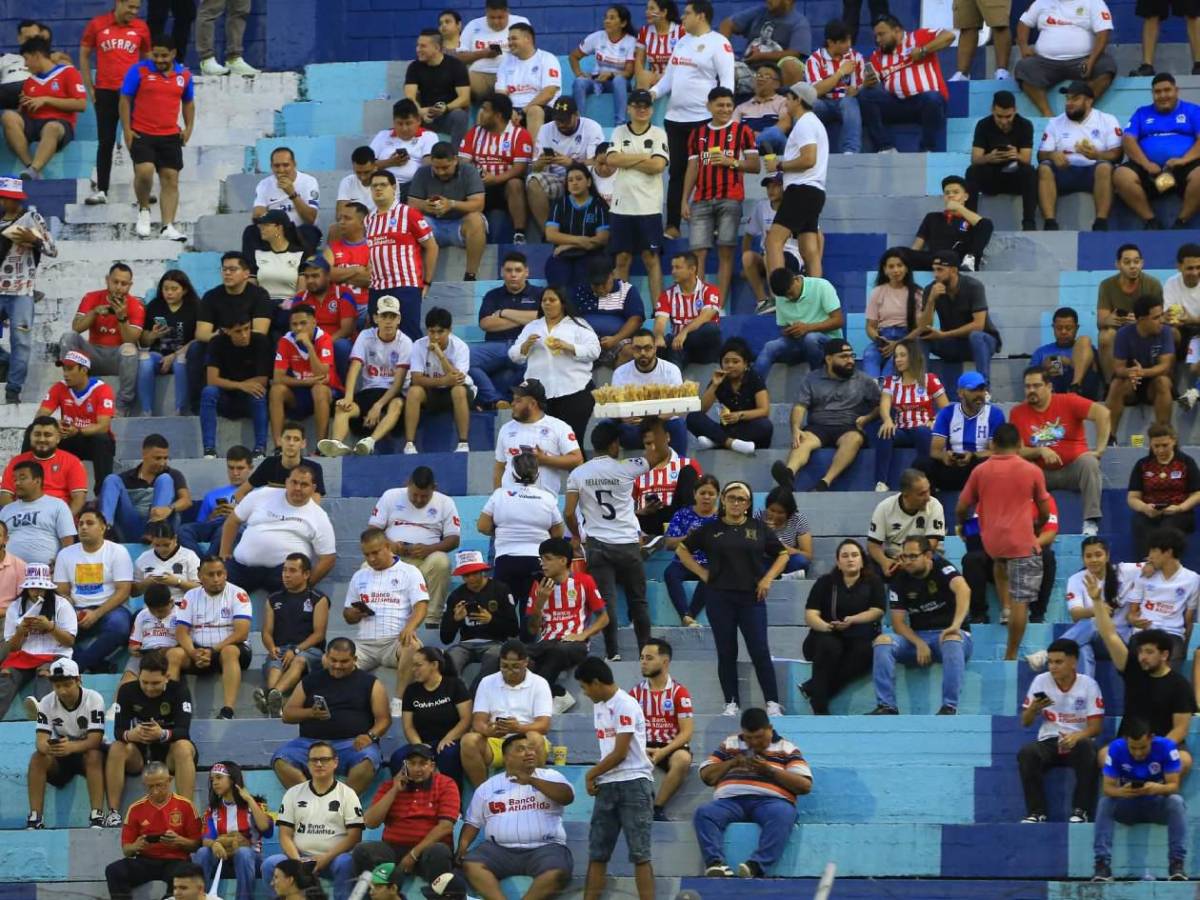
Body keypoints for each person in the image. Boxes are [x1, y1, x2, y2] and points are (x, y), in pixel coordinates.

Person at [676, 481, 788, 717]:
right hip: (719, 597)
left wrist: (767, 578)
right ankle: (731, 702)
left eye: (741, 499)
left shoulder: (759, 528)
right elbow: (682, 550)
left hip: (752, 598)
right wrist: (702, 573)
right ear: (723, 500)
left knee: (759, 650)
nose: (736, 503)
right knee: (726, 651)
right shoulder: (710, 529)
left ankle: (772, 702)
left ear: (748, 504)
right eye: (731, 498)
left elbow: (783, 554)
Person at [565, 421, 669, 658]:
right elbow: (662, 453)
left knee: (607, 601)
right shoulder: (626, 467)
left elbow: (569, 513)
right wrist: (657, 423)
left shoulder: (578, 473)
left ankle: (612, 653)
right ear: (615, 444)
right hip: (627, 544)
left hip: (597, 545)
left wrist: (577, 536)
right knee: (638, 600)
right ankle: (646, 653)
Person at [956, 422, 1053, 661]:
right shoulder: (1032, 470)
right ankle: (1010, 654)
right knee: (1022, 601)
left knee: (1000, 563)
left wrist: (962, 524)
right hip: (1020, 543)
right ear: (1020, 445)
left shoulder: (980, 471)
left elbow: (961, 506)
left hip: (992, 544)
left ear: (993, 445)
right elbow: (1043, 508)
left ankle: (1005, 609)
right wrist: (1038, 525)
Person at [694, 706, 813, 878]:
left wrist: (769, 771)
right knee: (704, 813)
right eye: (749, 738)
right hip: (730, 802)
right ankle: (716, 864)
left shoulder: (787, 748)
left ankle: (756, 865)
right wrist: (732, 763)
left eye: (759, 737)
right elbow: (706, 776)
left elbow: (804, 785)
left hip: (770, 802)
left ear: (770, 730)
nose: (754, 743)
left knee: (784, 813)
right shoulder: (730, 743)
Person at [651, 0, 735, 240]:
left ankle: (714, 223)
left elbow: (727, 84)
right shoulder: (681, 42)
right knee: (677, 171)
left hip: (704, 122)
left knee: (708, 167)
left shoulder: (720, 44)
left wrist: (722, 118)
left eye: (687, 14)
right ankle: (673, 225)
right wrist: (653, 93)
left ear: (701, 16)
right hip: (675, 121)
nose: (682, 18)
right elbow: (668, 78)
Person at [574, 656, 655, 900]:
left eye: (585, 687)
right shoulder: (599, 705)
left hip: (634, 782)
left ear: (597, 683)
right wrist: (598, 776)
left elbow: (620, 753)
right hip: (608, 784)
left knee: (640, 854)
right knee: (597, 852)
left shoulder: (626, 704)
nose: (585, 693)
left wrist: (591, 773)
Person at [457, 732, 575, 899]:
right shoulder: (488, 786)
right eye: (521, 749)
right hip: (499, 851)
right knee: (471, 864)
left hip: (545, 847)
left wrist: (532, 780)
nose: (529, 753)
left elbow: (567, 797)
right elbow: (473, 822)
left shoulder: (550, 776)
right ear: (506, 758)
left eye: (531, 749)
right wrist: (462, 846)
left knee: (556, 872)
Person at [272, 638, 390, 798]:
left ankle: (341, 806)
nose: (337, 665)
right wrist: (310, 713)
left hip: (352, 744)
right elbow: (287, 715)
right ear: (326, 657)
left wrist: (370, 736)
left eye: (344, 661)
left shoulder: (371, 683)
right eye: (333, 660)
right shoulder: (310, 680)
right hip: (310, 743)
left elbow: (384, 719)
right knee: (281, 759)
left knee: (368, 760)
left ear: (355, 659)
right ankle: (310, 803)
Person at [869, 536, 971, 715]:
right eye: (904, 556)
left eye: (913, 556)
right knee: (882, 641)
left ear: (928, 555)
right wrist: (918, 642)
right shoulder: (899, 578)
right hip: (918, 637)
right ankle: (887, 706)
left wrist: (955, 626)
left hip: (949, 635)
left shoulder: (943, 567)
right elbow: (898, 623)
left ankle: (949, 707)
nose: (907, 561)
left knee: (952, 640)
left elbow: (964, 590)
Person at [1010, 366, 1111, 536]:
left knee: (1089, 462)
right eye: (1027, 387)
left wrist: (1100, 450)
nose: (1031, 390)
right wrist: (1040, 450)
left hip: (1073, 469)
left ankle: (1090, 522)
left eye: (1036, 386)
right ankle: (1025, 523)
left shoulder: (1068, 401)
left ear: (1049, 386)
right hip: (1040, 474)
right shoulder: (1017, 413)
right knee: (1017, 469)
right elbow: (1018, 451)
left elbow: (1103, 413)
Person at [771, 339, 881, 492]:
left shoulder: (864, 380)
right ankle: (788, 476)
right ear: (829, 359)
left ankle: (824, 482)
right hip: (818, 427)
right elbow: (800, 407)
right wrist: (796, 429)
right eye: (843, 356)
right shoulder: (812, 378)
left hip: (848, 427)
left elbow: (881, 404)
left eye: (851, 355)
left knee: (854, 439)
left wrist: (867, 418)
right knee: (803, 439)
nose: (850, 360)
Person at [681, 87, 759, 303]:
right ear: (709, 106)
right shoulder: (697, 134)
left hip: (731, 199)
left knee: (726, 253)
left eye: (728, 105)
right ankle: (698, 304)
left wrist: (731, 162)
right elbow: (693, 167)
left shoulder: (743, 131)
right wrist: (684, 200)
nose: (725, 109)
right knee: (698, 255)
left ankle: (718, 306)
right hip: (701, 200)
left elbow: (755, 166)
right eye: (720, 105)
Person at [105, 651, 198, 827]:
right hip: (140, 754)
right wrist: (131, 735)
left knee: (183, 747)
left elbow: (183, 730)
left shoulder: (179, 690)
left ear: (167, 677)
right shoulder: (127, 691)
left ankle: (187, 812)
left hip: (170, 753)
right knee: (117, 746)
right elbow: (119, 731)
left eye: (155, 683)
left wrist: (162, 734)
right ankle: (113, 813)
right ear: (139, 676)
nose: (149, 688)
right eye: (144, 682)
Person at [262, 740, 365, 899]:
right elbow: (284, 835)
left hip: (333, 858)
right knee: (270, 864)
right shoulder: (293, 793)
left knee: (346, 863)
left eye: (324, 760)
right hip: (299, 857)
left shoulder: (347, 794)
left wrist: (326, 857)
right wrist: (297, 863)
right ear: (308, 764)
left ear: (335, 762)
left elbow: (354, 837)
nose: (319, 764)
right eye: (313, 760)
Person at [1018, 638, 1103, 824]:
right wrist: (1033, 708)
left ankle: (1081, 811)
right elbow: (1025, 722)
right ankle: (1036, 812)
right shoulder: (1040, 681)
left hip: (1078, 741)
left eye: (1058, 662)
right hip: (1049, 740)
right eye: (1050, 662)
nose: (1052, 667)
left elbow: (1096, 728)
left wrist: (1077, 736)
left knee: (1088, 749)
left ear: (1073, 662)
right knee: (1027, 753)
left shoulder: (1088, 685)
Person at [1093, 719, 1188, 882]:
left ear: (1151, 738)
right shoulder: (1116, 748)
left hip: (1156, 804)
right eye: (1133, 748)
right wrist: (1123, 792)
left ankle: (1176, 864)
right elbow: (1108, 789)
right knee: (1105, 802)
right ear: (1126, 741)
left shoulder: (1166, 747)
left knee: (1176, 801)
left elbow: (1173, 786)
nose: (1138, 753)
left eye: (1143, 747)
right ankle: (1102, 865)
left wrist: (1155, 788)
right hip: (1128, 805)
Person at [119, 35, 194, 242]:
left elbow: (188, 102)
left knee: (171, 179)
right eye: (156, 55)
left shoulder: (184, 75)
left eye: (164, 55)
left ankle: (167, 225)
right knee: (145, 172)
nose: (159, 60)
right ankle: (144, 209)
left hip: (170, 135)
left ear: (173, 54)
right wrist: (126, 129)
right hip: (142, 132)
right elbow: (125, 99)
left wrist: (189, 128)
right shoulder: (139, 71)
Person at [219, 464, 336, 595]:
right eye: (294, 482)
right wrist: (224, 552)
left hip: (283, 573)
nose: (297, 488)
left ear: (313, 488)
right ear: (286, 482)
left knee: (291, 605)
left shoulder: (318, 515)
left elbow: (328, 558)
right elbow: (232, 521)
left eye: (304, 485)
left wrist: (306, 585)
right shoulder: (262, 495)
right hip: (242, 567)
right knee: (216, 585)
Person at [368, 466, 460, 628]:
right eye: (414, 495)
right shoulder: (391, 496)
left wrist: (429, 549)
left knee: (441, 561)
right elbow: (373, 531)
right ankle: (375, 617)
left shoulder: (445, 502)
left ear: (434, 488)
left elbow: (453, 539)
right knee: (366, 565)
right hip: (393, 558)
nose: (418, 500)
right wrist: (390, 545)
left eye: (424, 496)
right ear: (408, 484)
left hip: (424, 560)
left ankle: (432, 619)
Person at [355, 742, 459, 886]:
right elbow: (371, 823)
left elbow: (446, 827)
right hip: (394, 848)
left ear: (432, 766)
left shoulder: (446, 784)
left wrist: (413, 854)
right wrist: (394, 790)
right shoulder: (390, 786)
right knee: (363, 851)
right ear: (405, 765)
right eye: (412, 763)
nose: (417, 768)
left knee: (439, 851)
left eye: (423, 763)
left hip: (428, 850)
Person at [341, 528, 428, 700]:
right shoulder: (359, 576)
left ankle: (400, 701)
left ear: (388, 546)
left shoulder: (409, 572)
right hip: (364, 645)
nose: (371, 559)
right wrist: (353, 613)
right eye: (367, 555)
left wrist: (410, 627)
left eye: (375, 552)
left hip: (394, 642)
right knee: (330, 659)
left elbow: (421, 605)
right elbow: (347, 615)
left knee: (413, 647)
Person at [1032, 536, 1138, 678]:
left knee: (1092, 625)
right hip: (1096, 640)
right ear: (1083, 558)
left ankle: (1049, 653)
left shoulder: (1125, 571)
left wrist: (1149, 567)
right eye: (1088, 556)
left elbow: (1154, 564)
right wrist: (1097, 609)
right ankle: (1088, 691)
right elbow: (1075, 614)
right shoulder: (1076, 579)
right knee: (1083, 645)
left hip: (1121, 642)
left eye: (1098, 555)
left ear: (1107, 556)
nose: (1094, 560)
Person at [479, 451, 566, 624]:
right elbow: (558, 533)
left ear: (512, 474)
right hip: (536, 562)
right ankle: (530, 648)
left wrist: (501, 532)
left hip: (505, 561)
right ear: (537, 474)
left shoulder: (499, 495)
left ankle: (507, 647)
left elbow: (482, 526)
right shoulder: (547, 498)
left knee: (504, 613)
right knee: (532, 611)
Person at [79, 0, 150, 209]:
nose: (134, 12)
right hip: (106, 92)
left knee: (137, 141)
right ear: (119, 3)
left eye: (137, 8)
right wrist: (89, 86)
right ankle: (102, 190)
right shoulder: (97, 24)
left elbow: (147, 57)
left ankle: (142, 191)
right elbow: (84, 54)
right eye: (131, 7)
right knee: (106, 141)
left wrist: (144, 85)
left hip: (132, 93)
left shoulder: (141, 27)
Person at [800, 539, 885, 715]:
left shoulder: (874, 582)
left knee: (867, 652)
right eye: (844, 556)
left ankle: (814, 689)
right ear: (838, 562)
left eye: (855, 555)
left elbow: (877, 610)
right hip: (824, 635)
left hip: (858, 636)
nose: (850, 559)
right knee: (829, 646)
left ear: (862, 560)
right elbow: (811, 614)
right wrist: (827, 627)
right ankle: (820, 708)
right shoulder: (825, 582)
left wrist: (852, 620)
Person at [525, 537, 610, 712]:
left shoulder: (584, 581)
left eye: (547, 559)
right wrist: (539, 603)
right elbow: (532, 629)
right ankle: (559, 694)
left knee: (557, 652)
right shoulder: (538, 586)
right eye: (541, 559)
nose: (543, 564)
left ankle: (534, 703)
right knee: (514, 653)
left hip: (574, 644)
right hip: (546, 642)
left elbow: (604, 618)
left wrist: (583, 635)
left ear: (563, 560)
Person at [508, 289, 600, 444]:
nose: (547, 303)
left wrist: (568, 346)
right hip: (541, 396)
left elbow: (594, 350)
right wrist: (525, 346)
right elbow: (513, 355)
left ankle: (576, 468)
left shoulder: (578, 325)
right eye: (544, 300)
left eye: (552, 300)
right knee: (545, 444)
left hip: (575, 391)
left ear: (562, 303)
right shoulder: (532, 326)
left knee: (572, 442)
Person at [460, 640, 553, 787]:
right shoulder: (487, 682)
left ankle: (535, 790)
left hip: (526, 739)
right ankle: (484, 793)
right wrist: (488, 730)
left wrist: (517, 729)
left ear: (526, 662)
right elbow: (478, 722)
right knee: (469, 741)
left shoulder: (539, 683)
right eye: (504, 666)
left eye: (515, 666)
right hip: (496, 742)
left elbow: (544, 725)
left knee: (535, 738)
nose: (509, 671)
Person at [26, 657, 106, 830]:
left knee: (94, 754)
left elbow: (95, 740)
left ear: (78, 680)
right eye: (57, 686)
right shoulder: (47, 702)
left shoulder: (94, 698)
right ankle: (35, 818)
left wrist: (72, 746)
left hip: (87, 753)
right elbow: (40, 741)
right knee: (37, 758)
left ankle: (97, 816)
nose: (62, 691)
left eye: (67, 685)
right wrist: (49, 747)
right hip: (63, 754)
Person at [605, 89, 669, 302]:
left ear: (651, 109)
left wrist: (628, 158)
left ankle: (659, 311)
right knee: (622, 260)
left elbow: (658, 165)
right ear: (628, 108)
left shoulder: (659, 133)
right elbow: (612, 160)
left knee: (651, 259)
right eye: (637, 106)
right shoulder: (619, 132)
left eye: (646, 106)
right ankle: (620, 307)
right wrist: (643, 156)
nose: (642, 109)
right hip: (621, 207)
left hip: (648, 208)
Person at [104, 761, 202, 900]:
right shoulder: (135, 809)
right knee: (114, 870)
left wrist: (179, 841)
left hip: (176, 860)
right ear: (144, 784)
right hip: (145, 860)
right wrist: (135, 846)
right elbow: (126, 849)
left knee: (186, 873)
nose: (155, 791)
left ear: (169, 780)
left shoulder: (186, 806)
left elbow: (197, 844)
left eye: (160, 785)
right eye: (150, 786)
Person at [168, 558, 252, 720]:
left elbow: (242, 633)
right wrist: (193, 653)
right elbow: (181, 632)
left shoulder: (238, 593)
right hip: (198, 651)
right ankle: (171, 708)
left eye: (220, 574)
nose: (216, 579)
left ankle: (228, 710)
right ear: (200, 575)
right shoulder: (191, 596)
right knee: (174, 654)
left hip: (230, 649)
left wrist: (213, 651)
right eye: (210, 574)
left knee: (229, 651)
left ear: (226, 574)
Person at [960, 488, 1059, 625]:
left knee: (1047, 557)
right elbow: (976, 532)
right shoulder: (989, 498)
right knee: (971, 559)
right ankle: (978, 615)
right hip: (996, 554)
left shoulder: (1043, 499)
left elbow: (1049, 533)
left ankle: (1037, 614)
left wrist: (1026, 545)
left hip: (1028, 557)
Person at [53, 508, 132, 673]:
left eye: (89, 523)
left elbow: (124, 591)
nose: (83, 527)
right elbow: (62, 592)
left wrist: (96, 614)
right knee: (52, 635)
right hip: (76, 610)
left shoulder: (118, 552)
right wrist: (69, 607)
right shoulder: (65, 554)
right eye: (80, 524)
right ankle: (98, 665)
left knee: (120, 627)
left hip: (110, 609)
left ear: (103, 527)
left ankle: (77, 666)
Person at [858, 16, 952, 153]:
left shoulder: (919, 36)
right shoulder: (877, 56)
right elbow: (870, 85)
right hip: (897, 104)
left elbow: (949, 36)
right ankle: (885, 147)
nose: (878, 40)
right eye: (876, 36)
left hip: (924, 104)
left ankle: (926, 148)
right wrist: (866, 83)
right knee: (866, 95)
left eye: (881, 34)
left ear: (897, 31)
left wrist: (923, 50)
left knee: (932, 98)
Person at [60, 263, 144, 415]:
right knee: (68, 337)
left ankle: (122, 404)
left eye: (124, 284)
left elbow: (131, 340)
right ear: (107, 280)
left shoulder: (136, 305)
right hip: (93, 355)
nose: (119, 287)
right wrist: (94, 312)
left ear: (130, 285)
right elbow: (77, 328)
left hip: (117, 357)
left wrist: (122, 317)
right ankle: (71, 389)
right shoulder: (91, 297)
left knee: (130, 350)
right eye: (115, 282)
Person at [1037, 80, 1122, 231]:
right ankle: (1050, 222)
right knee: (1044, 168)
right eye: (1067, 99)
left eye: (1075, 99)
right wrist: (1052, 155)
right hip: (1065, 172)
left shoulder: (1107, 120)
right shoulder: (1055, 122)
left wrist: (1097, 154)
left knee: (1104, 167)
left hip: (1093, 173)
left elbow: (1117, 155)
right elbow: (1041, 155)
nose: (1069, 103)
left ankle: (1101, 222)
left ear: (1089, 101)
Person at [764, 82, 828, 278]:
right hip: (815, 191)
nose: (785, 102)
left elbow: (809, 159)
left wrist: (780, 166)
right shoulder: (814, 122)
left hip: (801, 190)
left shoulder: (804, 123)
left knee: (773, 241)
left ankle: (779, 294)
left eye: (789, 98)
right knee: (809, 249)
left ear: (798, 100)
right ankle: (817, 294)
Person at [1119, 75, 1200, 231]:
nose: (1162, 95)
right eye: (1157, 92)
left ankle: (1181, 222)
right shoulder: (1142, 113)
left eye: (1167, 90)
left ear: (1176, 91)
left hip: (1184, 168)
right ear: (1152, 94)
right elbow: (1128, 140)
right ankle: (1151, 221)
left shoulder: (1193, 111)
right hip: (1150, 171)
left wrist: (1184, 160)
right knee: (1121, 175)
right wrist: (1146, 164)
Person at [0, 176, 55, 404]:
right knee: (18, 344)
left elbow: (53, 250)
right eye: (7, 197)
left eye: (13, 198)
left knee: (21, 341)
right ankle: (5, 361)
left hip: (22, 291)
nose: (10, 202)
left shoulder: (32, 217)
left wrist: (34, 240)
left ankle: (13, 390)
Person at [1, 36, 86, 181]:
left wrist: (46, 100)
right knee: (8, 116)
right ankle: (29, 167)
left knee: (52, 127)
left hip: (59, 125)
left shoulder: (69, 72)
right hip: (33, 123)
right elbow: (23, 113)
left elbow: (81, 105)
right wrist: (24, 105)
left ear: (37, 55)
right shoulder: (29, 81)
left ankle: (35, 168)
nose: (26, 65)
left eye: (27, 59)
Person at [364, 168, 437, 338]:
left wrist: (427, 282)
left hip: (405, 285)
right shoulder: (368, 220)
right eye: (374, 186)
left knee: (409, 334)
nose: (378, 189)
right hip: (377, 287)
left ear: (394, 188)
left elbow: (432, 246)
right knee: (379, 336)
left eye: (383, 185)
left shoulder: (408, 213)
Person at [254, 553, 328, 716]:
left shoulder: (318, 598)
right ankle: (275, 702)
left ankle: (272, 694)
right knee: (275, 662)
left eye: (292, 571)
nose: (286, 575)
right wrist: (271, 647)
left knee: (299, 660)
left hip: (310, 650)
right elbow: (266, 632)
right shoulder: (273, 599)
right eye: (284, 570)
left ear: (306, 574)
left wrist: (295, 650)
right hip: (281, 648)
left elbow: (319, 634)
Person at [1014, 0, 1116, 117]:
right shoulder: (1041, 2)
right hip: (1045, 62)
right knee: (1023, 68)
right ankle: (1047, 114)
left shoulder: (1094, 2)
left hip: (1082, 61)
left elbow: (1103, 33)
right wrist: (1023, 46)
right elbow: (1024, 23)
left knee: (1107, 66)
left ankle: (1082, 109)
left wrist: (1091, 61)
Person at [629, 639, 693, 823]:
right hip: (642, 745)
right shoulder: (634, 693)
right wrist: (641, 749)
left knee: (683, 759)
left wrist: (663, 751)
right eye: (641, 658)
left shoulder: (679, 692)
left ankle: (657, 808)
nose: (643, 662)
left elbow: (687, 732)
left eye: (649, 658)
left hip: (669, 746)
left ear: (665, 662)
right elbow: (627, 729)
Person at [0, 562, 76, 719]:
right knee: (6, 674)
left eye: (40, 588)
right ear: (26, 587)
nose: (36, 592)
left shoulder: (62, 605)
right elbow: (12, 648)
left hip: (55, 653)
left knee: (45, 673)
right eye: (33, 588)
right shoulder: (15, 607)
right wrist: (20, 632)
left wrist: (50, 627)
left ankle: (42, 712)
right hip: (25, 654)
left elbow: (69, 641)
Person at [470, 251, 543, 410]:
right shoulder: (492, 295)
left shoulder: (539, 294)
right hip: (496, 346)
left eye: (518, 270)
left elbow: (541, 318)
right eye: (509, 271)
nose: (513, 275)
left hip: (526, 345)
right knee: (465, 359)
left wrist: (504, 313)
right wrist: (524, 319)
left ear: (526, 272)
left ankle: (504, 399)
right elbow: (486, 324)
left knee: (537, 363)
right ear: (502, 272)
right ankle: (495, 400)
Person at [458, 93, 533, 246]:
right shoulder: (474, 132)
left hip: (504, 187)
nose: (481, 113)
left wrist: (495, 179)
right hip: (478, 187)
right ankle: (461, 231)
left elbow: (520, 169)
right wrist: (476, 176)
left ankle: (519, 234)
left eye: (485, 110)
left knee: (515, 184)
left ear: (498, 115)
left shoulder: (520, 134)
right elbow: (463, 162)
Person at [406, 143, 488, 283]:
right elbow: (412, 204)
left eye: (445, 168)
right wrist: (426, 206)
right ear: (431, 161)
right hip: (432, 224)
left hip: (460, 224)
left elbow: (478, 204)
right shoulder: (422, 172)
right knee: (410, 221)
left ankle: (470, 275)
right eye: (436, 168)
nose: (441, 172)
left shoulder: (469, 171)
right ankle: (414, 276)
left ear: (455, 160)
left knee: (476, 220)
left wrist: (451, 204)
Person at [440, 551, 520, 692]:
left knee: (495, 657)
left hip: (495, 643)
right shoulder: (456, 595)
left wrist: (491, 620)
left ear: (483, 572)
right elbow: (445, 638)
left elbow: (514, 629)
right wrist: (455, 620)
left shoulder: (500, 589)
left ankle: (471, 696)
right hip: (465, 645)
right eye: (466, 575)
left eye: (475, 573)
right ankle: (459, 695)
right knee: (449, 660)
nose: (471, 579)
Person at [194, 761, 274, 900]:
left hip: (250, 859)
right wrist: (214, 844)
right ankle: (200, 897)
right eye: (212, 779)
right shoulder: (213, 810)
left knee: (243, 853)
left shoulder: (254, 805)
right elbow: (207, 837)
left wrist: (249, 799)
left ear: (232, 780)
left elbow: (265, 829)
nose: (214, 783)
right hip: (223, 858)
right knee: (202, 852)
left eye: (219, 778)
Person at [917, 250, 1002, 382]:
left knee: (976, 336)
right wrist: (931, 300)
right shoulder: (931, 289)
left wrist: (944, 335)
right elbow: (924, 326)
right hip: (953, 345)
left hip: (982, 343)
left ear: (953, 270)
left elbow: (978, 325)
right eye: (934, 270)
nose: (935, 275)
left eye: (940, 270)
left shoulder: (973, 286)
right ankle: (921, 387)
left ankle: (984, 388)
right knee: (922, 338)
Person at [873, 342, 948, 491]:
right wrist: (887, 420)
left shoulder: (929, 379)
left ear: (913, 357)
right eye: (896, 356)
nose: (898, 360)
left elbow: (946, 408)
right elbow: (885, 404)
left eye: (903, 355)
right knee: (884, 432)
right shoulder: (891, 382)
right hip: (901, 430)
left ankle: (929, 480)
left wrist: (934, 420)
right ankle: (881, 482)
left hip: (923, 428)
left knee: (922, 432)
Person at [34, 351, 116, 486]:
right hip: (69, 439)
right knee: (34, 431)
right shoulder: (59, 387)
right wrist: (54, 425)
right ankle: (31, 480)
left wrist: (78, 431)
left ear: (84, 370)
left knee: (102, 439)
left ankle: (102, 491)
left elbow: (103, 426)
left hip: (92, 441)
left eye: (70, 369)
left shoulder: (102, 389)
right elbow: (40, 416)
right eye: (64, 369)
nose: (65, 373)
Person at [493, 378, 583, 496]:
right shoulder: (506, 429)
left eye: (518, 401)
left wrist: (546, 460)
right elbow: (500, 467)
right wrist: (497, 498)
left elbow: (577, 460)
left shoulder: (559, 427)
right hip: (510, 503)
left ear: (533, 404)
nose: (512, 404)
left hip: (543, 506)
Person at [269, 304, 343, 447]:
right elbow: (278, 378)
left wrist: (309, 346)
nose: (298, 328)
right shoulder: (285, 341)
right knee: (276, 390)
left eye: (303, 323)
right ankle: (278, 446)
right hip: (300, 393)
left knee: (319, 389)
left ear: (314, 322)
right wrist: (307, 382)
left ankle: (321, 446)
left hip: (327, 394)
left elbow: (321, 375)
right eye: (294, 324)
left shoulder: (324, 339)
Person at [403, 306, 474, 454]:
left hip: (454, 392)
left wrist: (440, 354)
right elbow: (416, 379)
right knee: (414, 392)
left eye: (440, 332)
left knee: (459, 390)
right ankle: (409, 444)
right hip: (431, 392)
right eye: (431, 331)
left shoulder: (460, 347)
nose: (435, 337)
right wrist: (443, 381)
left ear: (449, 330)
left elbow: (457, 379)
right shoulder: (418, 345)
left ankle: (463, 443)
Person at [200, 316, 272, 458]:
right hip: (226, 397)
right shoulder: (217, 342)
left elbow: (263, 379)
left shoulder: (260, 341)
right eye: (238, 331)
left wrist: (243, 387)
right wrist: (241, 385)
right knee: (208, 392)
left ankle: (260, 448)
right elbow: (212, 380)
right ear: (226, 331)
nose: (245, 335)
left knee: (259, 392)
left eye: (247, 329)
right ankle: (209, 449)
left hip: (249, 396)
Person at [753, 266, 844, 378]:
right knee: (770, 347)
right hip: (797, 341)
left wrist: (807, 328)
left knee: (811, 339)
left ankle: (817, 380)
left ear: (796, 279)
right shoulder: (781, 297)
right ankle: (755, 388)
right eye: (786, 296)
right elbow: (783, 327)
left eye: (790, 293)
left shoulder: (821, 286)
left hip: (827, 340)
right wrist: (789, 332)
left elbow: (838, 321)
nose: (789, 298)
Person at [964, 91, 1037, 231]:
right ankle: (969, 222)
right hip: (991, 176)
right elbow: (975, 159)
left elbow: (1026, 159)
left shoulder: (1025, 125)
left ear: (1015, 110)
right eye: (999, 116)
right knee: (972, 172)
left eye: (1008, 116)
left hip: (1013, 175)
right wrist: (989, 157)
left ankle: (1029, 223)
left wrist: (1015, 154)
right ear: (992, 110)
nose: (1004, 121)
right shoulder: (983, 125)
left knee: (1030, 172)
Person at [687, 337, 773, 456]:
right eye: (726, 361)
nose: (730, 365)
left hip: (750, 431)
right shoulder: (719, 379)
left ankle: (718, 442)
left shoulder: (754, 378)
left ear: (745, 364)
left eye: (735, 361)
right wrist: (714, 385)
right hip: (727, 429)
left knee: (765, 426)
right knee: (693, 417)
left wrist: (739, 415)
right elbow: (702, 409)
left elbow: (764, 410)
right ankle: (729, 443)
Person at [396, 648, 472, 781]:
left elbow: (466, 719)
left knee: (447, 755)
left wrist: (448, 738)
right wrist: (419, 746)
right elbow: (408, 727)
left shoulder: (455, 685)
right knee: (398, 758)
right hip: (423, 742)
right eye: (412, 665)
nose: (414, 669)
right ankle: (410, 799)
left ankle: (453, 797)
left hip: (451, 740)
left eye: (418, 665)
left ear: (434, 665)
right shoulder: (411, 691)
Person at [100, 433, 191, 543]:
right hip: (129, 524)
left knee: (165, 479)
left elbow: (186, 501)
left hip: (159, 528)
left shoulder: (174, 474)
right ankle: (104, 529)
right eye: (157, 458)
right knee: (111, 479)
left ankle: (153, 529)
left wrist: (169, 509)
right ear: (144, 454)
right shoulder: (126, 477)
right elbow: (107, 498)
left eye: (165, 458)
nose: (162, 463)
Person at [1106, 295, 1175, 436]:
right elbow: (1118, 369)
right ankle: (1110, 437)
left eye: (1161, 316)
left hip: (1153, 384)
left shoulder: (1166, 332)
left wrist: (1141, 372)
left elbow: (1165, 366)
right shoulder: (1123, 334)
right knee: (1116, 384)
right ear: (1142, 319)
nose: (1161, 321)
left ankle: (1163, 435)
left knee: (1163, 382)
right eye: (1156, 318)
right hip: (1131, 383)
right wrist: (1131, 372)